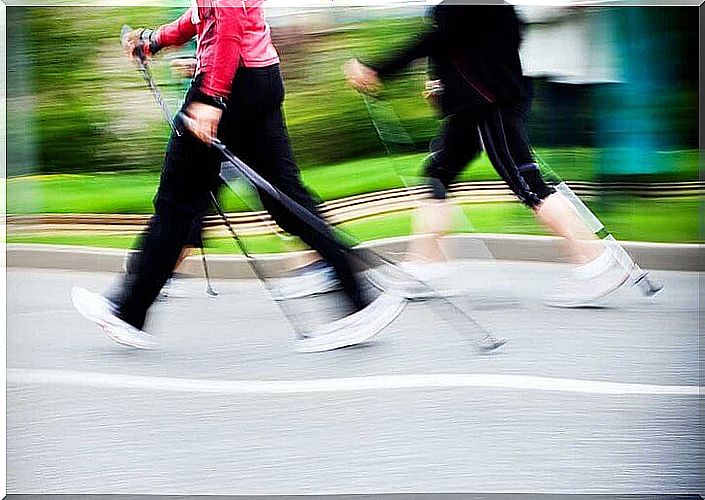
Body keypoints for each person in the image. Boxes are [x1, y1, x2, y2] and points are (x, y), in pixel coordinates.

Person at [71, 0, 404, 351]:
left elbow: (226, 15)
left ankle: (128, 311)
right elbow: (207, 13)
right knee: (286, 200)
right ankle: (361, 300)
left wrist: (211, 97)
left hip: (230, 84)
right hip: (258, 77)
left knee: (177, 202)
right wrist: (155, 40)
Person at [344, 1, 629, 306]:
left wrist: (378, 69)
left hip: (487, 106)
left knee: (530, 185)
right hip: (479, 105)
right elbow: (466, 38)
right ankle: (426, 267)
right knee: (438, 174)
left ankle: (595, 262)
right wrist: (442, 81)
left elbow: (438, 38)